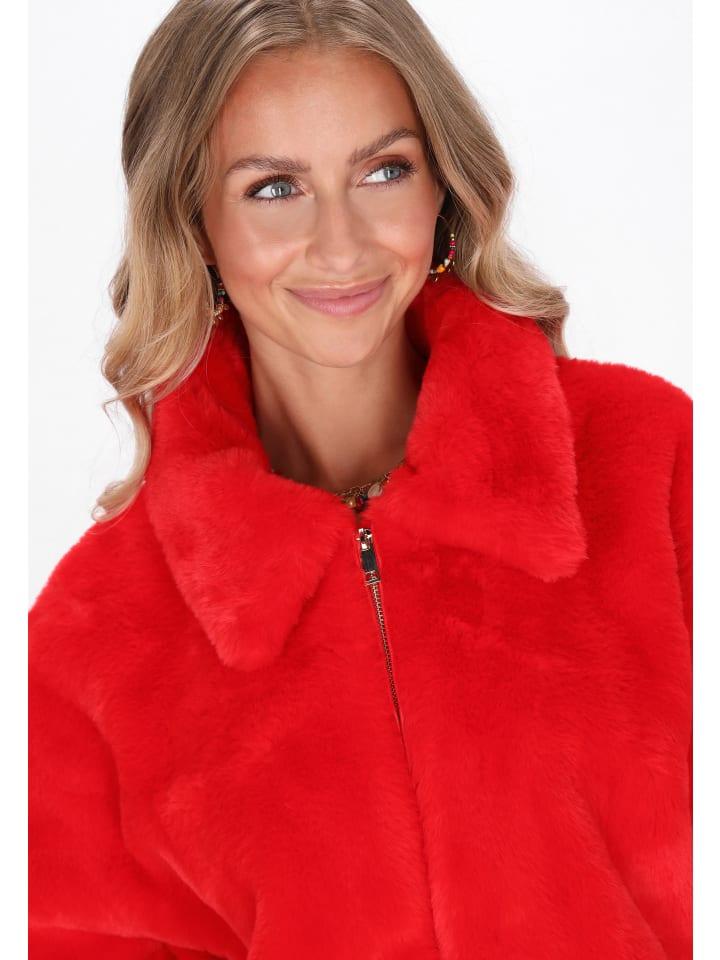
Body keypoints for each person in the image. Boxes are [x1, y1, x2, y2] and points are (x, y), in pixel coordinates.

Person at [28, 1, 692, 958]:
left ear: (444, 189)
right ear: (194, 224)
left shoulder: (656, 464)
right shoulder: (94, 634)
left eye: (384, 171)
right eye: (273, 188)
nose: (341, 246)